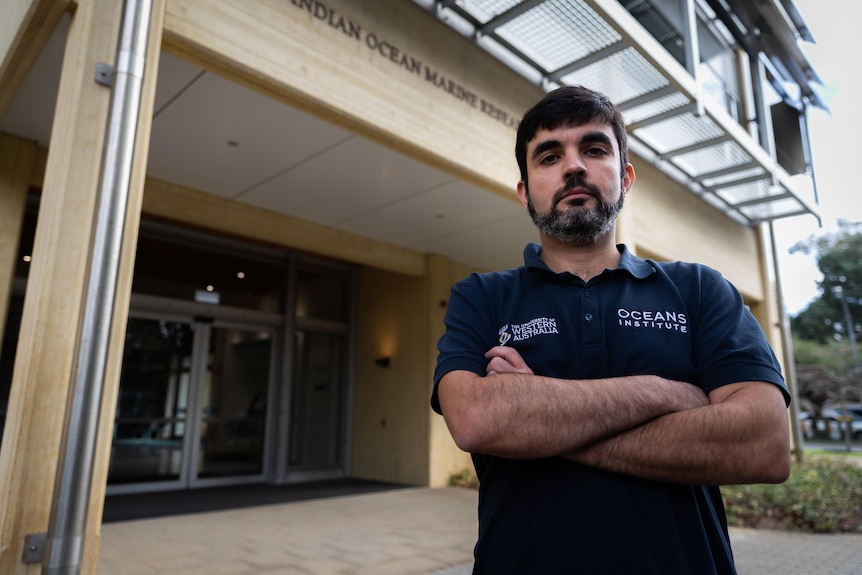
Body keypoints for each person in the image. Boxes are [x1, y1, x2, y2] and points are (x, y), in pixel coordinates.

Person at [431, 85, 791, 574]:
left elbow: (763, 445)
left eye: (594, 149)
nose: (573, 166)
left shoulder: (699, 289)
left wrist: (536, 416)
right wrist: (665, 393)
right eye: (549, 156)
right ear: (525, 190)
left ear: (625, 177)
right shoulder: (481, 297)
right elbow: (475, 420)